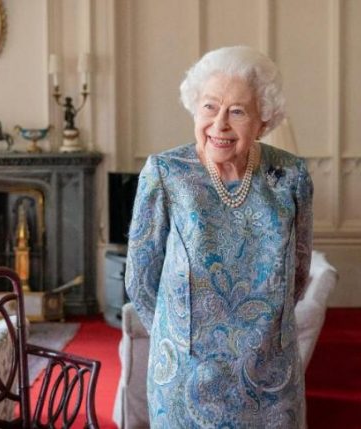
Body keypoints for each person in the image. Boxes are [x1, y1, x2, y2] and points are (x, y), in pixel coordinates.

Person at [125, 45, 313, 428]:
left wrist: (265, 335)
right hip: (184, 376)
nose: (220, 124)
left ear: (263, 120)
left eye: (238, 111)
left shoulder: (290, 176)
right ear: (195, 108)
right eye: (210, 106)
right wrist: (179, 338)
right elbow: (141, 280)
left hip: (270, 376)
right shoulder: (166, 174)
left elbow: (298, 270)